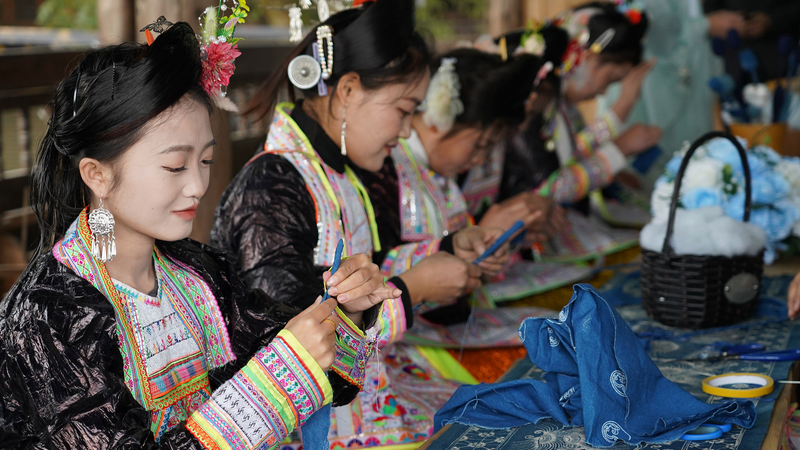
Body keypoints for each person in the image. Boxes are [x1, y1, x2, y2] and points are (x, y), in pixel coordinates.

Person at [0, 15, 396, 449]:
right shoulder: (47, 314)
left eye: (205, 161)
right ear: (97, 174)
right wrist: (280, 378)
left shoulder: (196, 272)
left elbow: (315, 367)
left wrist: (349, 310)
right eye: (175, 166)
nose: (198, 186)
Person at [210, 1, 509, 447]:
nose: (408, 131)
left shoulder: (342, 172)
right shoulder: (271, 186)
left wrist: (443, 251)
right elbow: (285, 341)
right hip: (305, 427)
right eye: (404, 109)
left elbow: (365, 266)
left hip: (365, 395)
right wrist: (412, 291)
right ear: (348, 90)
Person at [360, 48, 559, 286]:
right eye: (480, 145)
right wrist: (483, 236)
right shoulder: (384, 170)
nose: (478, 161)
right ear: (442, 118)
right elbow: (382, 273)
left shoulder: (435, 174)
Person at [462, 2, 661, 214]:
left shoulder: (557, 103)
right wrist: (618, 147)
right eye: (610, 80)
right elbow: (549, 188)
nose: (603, 93)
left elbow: (572, 154)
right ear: (587, 58)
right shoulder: (533, 101)